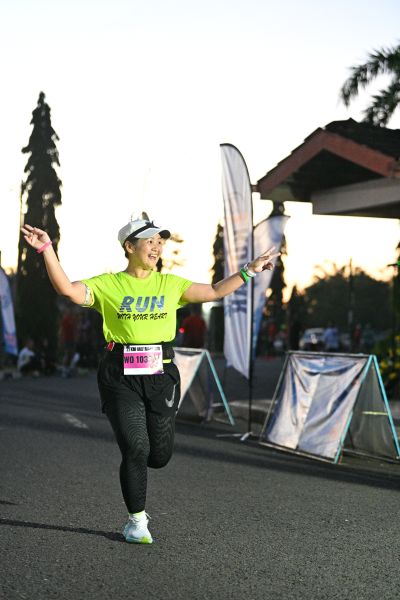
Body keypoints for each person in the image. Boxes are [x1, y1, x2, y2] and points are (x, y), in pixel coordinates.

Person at [21, 216, 279, 544]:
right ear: (130, 247)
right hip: (120, 375)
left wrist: (249, 271)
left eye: (160, 242)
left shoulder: (170, 285)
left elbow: (215, 290)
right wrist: (46, 248)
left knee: (158, 456)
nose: (157, 247)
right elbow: (67, 289)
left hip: (161, 373)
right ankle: (136, 521)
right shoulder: (108, 285)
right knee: (136, 447)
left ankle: (141, 492)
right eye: (150, 241)